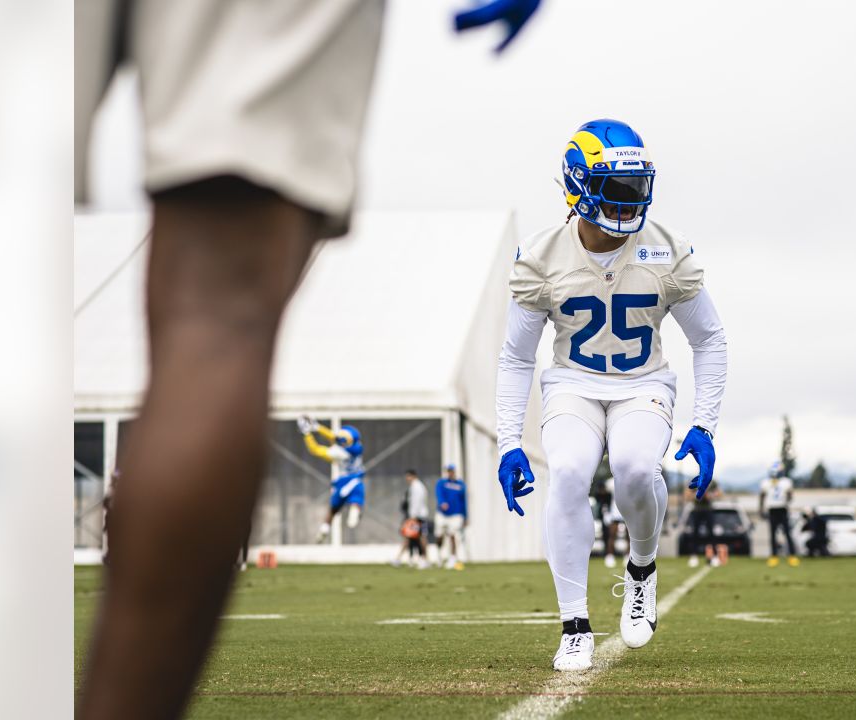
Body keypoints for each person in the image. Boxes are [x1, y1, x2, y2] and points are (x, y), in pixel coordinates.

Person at [75, 3, 543, 717]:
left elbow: (333, 440)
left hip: (348, 485)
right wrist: (322, 429)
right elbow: (329, 439)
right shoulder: (360, 452)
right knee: (218, 308)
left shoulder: (356, 449)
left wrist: (323, 429)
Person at [494, 119, 728, 672]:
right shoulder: (541, 257)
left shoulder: (667, 251)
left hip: (642, 384)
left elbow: (710, 339)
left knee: (631, 465)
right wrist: (509, 442)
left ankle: (642, 568)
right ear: (578, 187)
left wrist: (705, 422)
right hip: (573, 383)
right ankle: (574, 623)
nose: (628, 201)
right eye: (614, 187)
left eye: (634, 186)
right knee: (570, 471)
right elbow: (516, 356)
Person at [298, 416, 366, 543]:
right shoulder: (357, 446)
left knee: (333, 509)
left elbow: (315, 449)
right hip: (356, 481)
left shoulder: (339, 453)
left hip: (343, 482)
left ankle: (324, 528)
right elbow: (334, 437)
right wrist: (317, 427)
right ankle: (354, 512)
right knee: (357, 501)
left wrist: (307, 433)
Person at [759, 462, 800, 567]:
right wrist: (761, 509)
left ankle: (792, 556)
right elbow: (762, 496)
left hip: (782, 509)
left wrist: (788, 497)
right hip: (772, 510)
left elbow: (790, 496)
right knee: (773, 534)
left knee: (787, 533)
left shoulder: (785, 482)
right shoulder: (767, 483)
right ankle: (774, 556)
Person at [434, 464, 468, 570]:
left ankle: (452, 559)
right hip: (442, 514)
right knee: (439, 536)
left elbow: (464, 501)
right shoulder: (441, 483)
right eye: (448, 471)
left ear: (454, 472)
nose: (450, 473)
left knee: (453, 535)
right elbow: (439, 494)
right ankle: (439, 555)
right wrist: (442, 503)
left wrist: (465, 516)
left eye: (451, 471)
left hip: (456, 514)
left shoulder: (460, 484)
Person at [395, 470, 431, 569]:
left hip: (418, 517)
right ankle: (400, 558)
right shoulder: (414, 487)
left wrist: (413, 517)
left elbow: (417, 502)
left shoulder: (417, 487)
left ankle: (425, 559)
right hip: (415, 516)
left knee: (421, 537)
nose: (407, 479)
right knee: (409, 537)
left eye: (408, 476)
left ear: (413, 476)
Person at [685, 479, 724, 568]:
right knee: (695, 533)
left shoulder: (712, 481)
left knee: (711, 533)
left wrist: (710, 495)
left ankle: (714, 556)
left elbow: (720, 493)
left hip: (708, 510)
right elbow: (687, 494)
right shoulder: (695, 480)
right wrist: (698, 495)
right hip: (697, 510)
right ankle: (694, 556)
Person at [602, 477, 627, 569]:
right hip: (615, 512)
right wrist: (606, 512)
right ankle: (610, 556)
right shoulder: (610, 482)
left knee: (630, 536)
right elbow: (606, 498)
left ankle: (628, 556)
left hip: (627, 511)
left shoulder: (629, 479)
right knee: (612, 535)